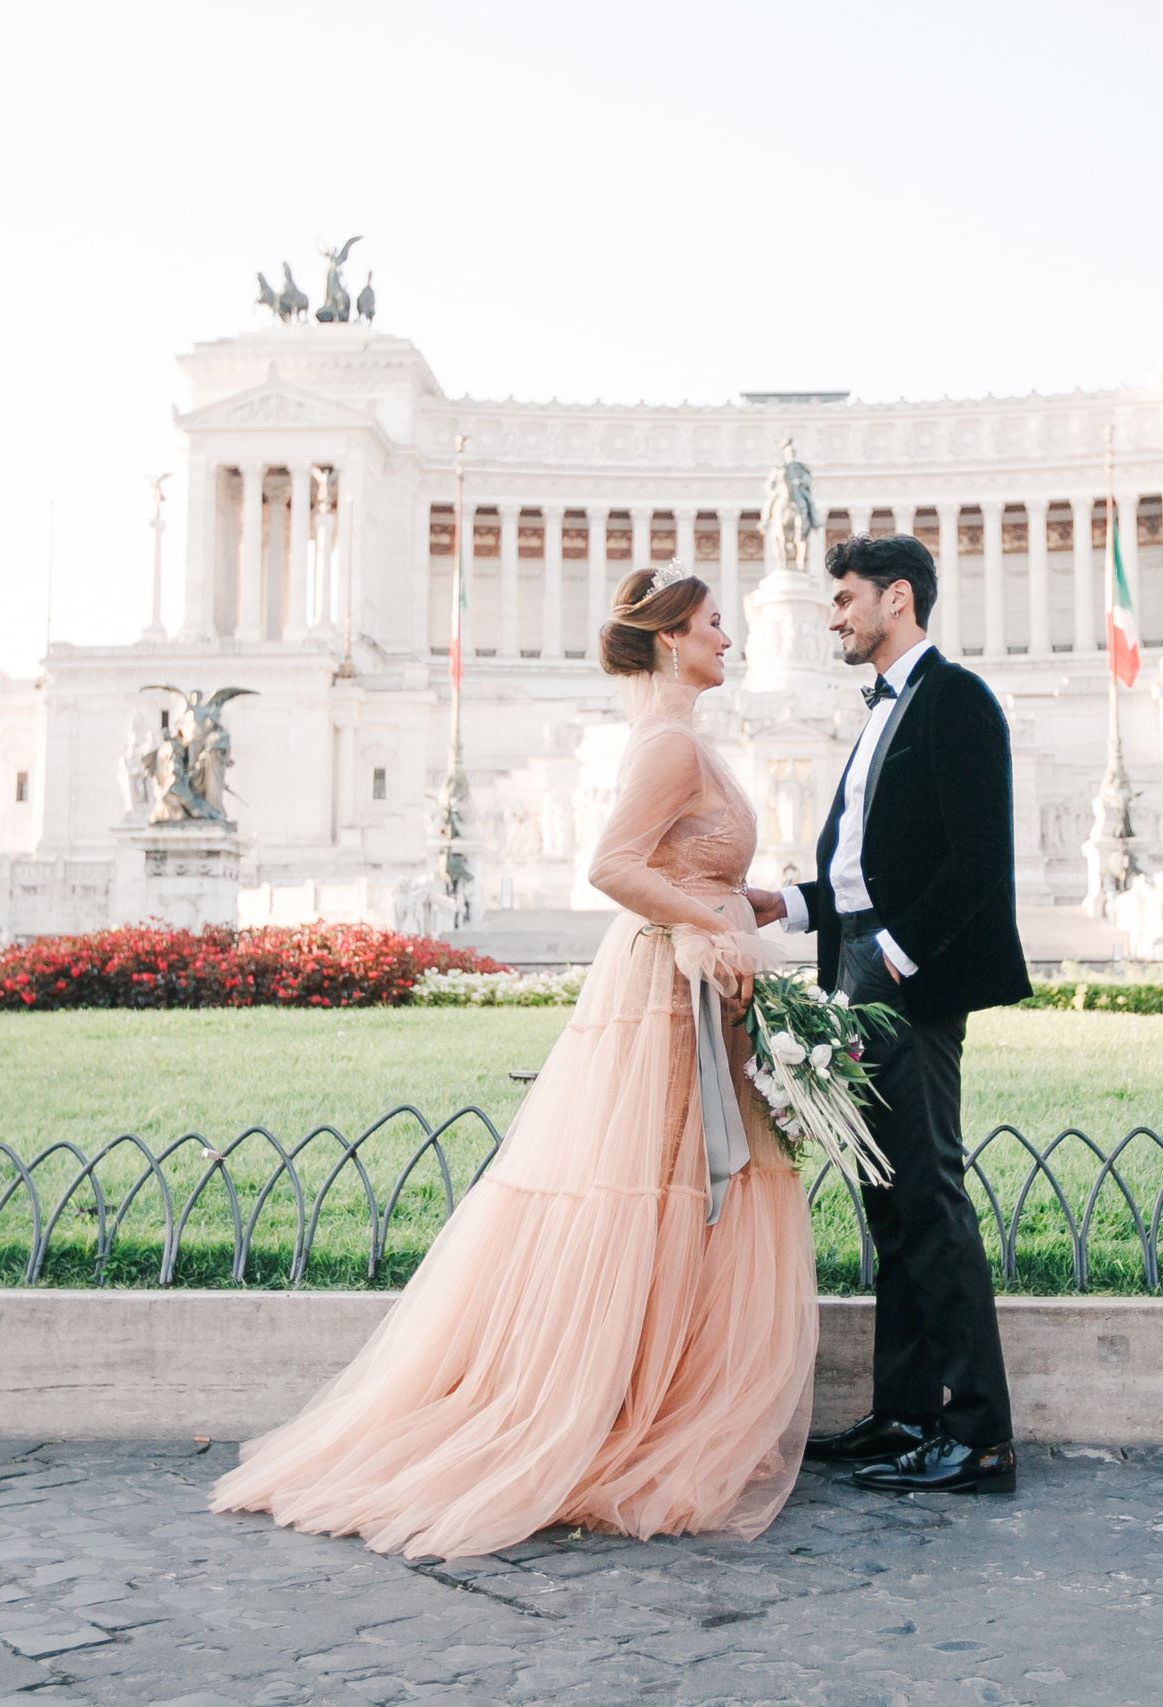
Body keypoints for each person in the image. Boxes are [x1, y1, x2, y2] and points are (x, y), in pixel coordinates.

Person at [209, 566, 815, 1560]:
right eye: (714, 625)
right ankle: (619, 1414)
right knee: (645, 1188)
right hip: (665, 988)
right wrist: (707, 917)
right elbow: (613, 868)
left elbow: (681, 868)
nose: (729, 640)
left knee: (673, 1188)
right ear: (670, 640)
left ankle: (649, 1398)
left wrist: (740, 907)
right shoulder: (667, 743)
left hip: (694, 976)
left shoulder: (682, 738)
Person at [746, 533, 1031, 1497]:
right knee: (887, 1197)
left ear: (896, 599)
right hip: (857, 959)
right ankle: (907, 1412)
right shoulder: (874, 713)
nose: (832, 615)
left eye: (845, 599)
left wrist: (898, 962)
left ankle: (980, 1433)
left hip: (906, 973)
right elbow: (856, 871)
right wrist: (781, 905)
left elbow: (978, 860)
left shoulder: (958, 702)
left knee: (931, 1190)